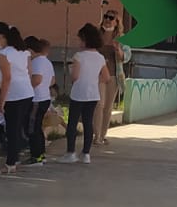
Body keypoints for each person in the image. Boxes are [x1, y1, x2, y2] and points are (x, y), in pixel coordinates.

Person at [0, 21, 34, 174]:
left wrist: (1, 101)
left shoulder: (3, 54)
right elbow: (29, 71)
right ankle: (14, 158)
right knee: (18, 128)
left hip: (13, 95)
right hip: (27, 93)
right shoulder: (24, 52)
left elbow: (6, 78)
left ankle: (10, 163)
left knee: (12, 130)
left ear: (1, 37)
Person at [61, 23, 109, 163]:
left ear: (85, 39)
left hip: (78, 93)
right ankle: (86, 153)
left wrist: (71, 71)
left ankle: (70, 153)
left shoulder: (78, 56)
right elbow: (106, 77)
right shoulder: (100, 57)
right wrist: (94, 79)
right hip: (93, 94)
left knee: (73, 122)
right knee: (88, 122)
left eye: (80, 39)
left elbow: (75, 76)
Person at [95, 9, 127, 147]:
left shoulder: (121, 38)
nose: (107, 19)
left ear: (116, 21)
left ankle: (103, 135)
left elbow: (126, 57)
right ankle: (96, 136)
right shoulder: (97, 35)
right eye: (106, 17)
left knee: (107, 107)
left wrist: (118, 49)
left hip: (114, 75)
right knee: (99, 105)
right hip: (98, 75)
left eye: (111, 17)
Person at [26, 37, 55, 164]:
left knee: (32, 128)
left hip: (36, 99)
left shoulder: (36, 62)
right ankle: (41, 153)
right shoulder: (47, 62)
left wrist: (27, 86)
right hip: (45, 97)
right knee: (38, 127)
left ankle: (36, 156)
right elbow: (52, 81)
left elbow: (36, 79)